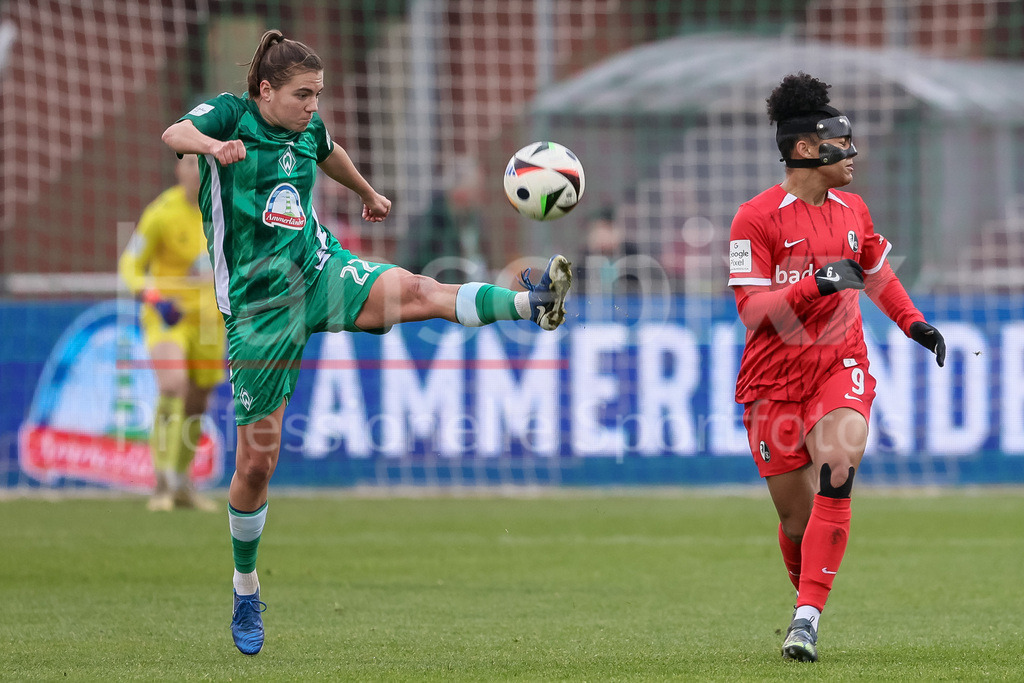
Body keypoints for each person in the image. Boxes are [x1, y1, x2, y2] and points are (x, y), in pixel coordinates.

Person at [160, 29, 572, 656]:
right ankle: (246, 585)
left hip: (318, 268)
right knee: (255, 464)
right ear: (266, 90)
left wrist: (367, 193)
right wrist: (214, 146)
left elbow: (329, 149)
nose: (312, 107)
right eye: (302, 95)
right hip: (258, 308)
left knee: (416, 292)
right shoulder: (231, 115)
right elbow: (173, 135)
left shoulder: (307, 127)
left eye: (318, 95)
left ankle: (531, 303)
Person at [726, 73, 945, 663]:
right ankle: (806, 596)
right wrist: (813, 285)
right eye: (840, 142)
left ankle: (807, 618)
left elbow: (875, 272)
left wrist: (912, 322)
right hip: (773, 382)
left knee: (839, 466)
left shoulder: (855, 209)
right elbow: (753, 312)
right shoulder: (754, 219)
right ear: (804, 149)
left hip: (840, 365)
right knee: (797, 524)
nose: (852, 154)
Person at [118, 154, 225, 512]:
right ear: (179, 169)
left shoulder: (226, 211)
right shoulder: (160, 213)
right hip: (168, 316)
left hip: (210, 321)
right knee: (172, 384)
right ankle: (161, 483)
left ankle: (181, 484)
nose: (196, 172)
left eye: (203, 165)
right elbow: (130, 264)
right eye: (191, 164)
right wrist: (153, 297)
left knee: (197, 403)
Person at [396, 155, 488, 283]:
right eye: (477, 189)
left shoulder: (474, 221)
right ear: (461, 193)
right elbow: (407, 266)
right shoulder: (429, 223)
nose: (481, 195)